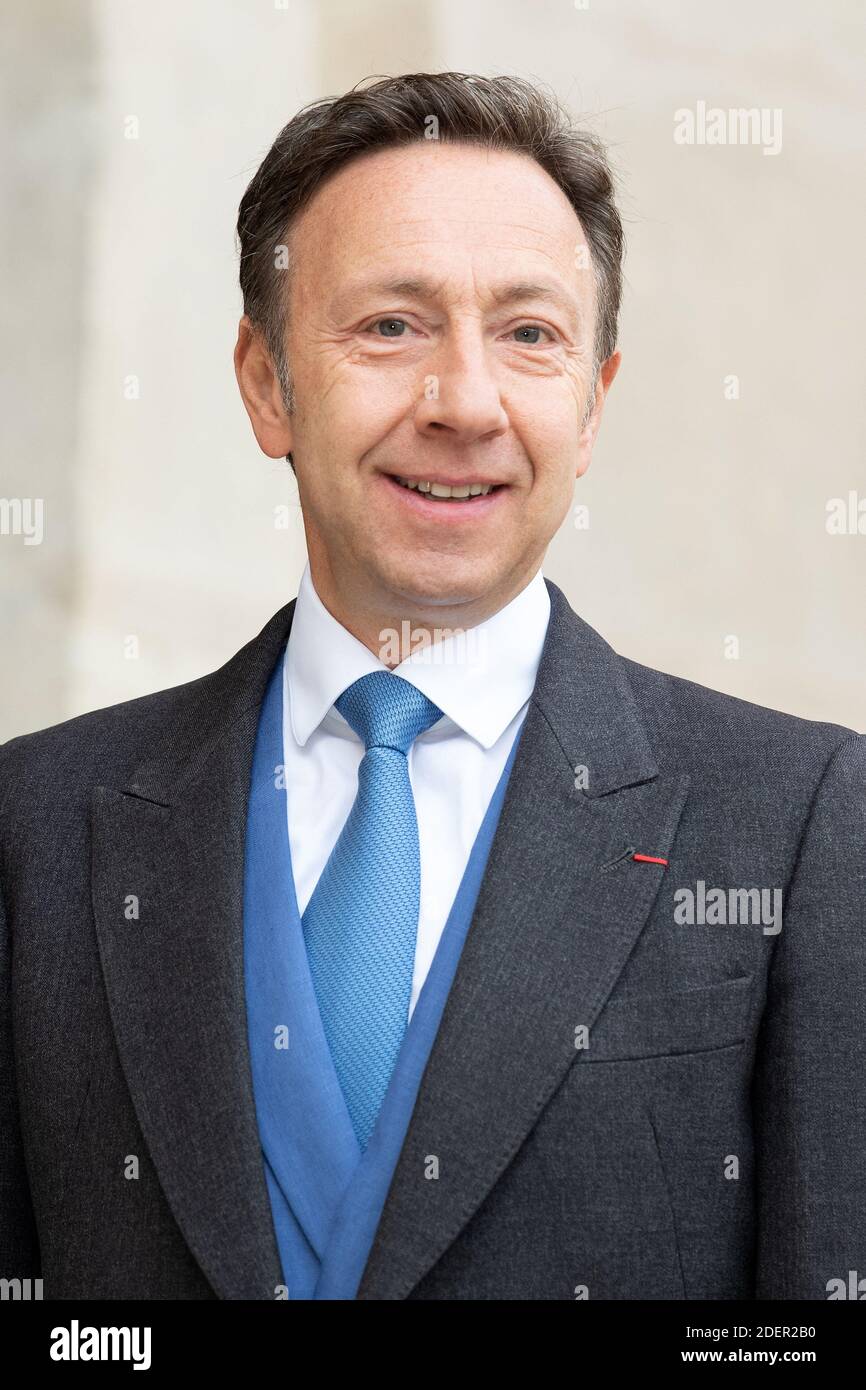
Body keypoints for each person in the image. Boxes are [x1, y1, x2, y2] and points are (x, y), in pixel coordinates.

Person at [1, 72, 864, 1301]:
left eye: (528, 335)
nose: (463, 403)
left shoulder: (794, 822)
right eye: (391, 326)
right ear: (265, 383)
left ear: (591, 403)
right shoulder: (35, 822)